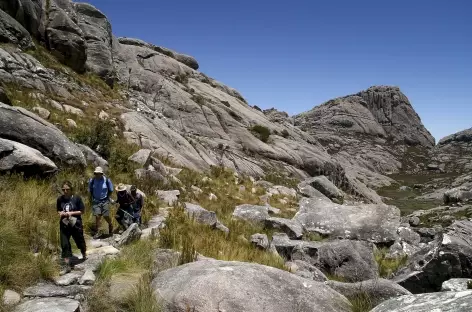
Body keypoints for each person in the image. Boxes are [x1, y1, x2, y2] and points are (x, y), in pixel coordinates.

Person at [57, 181, 86, 275]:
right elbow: (58, 209)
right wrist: (60, 213)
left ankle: (83, 251)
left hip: (75, 222)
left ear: (71, 189)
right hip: (64, 223)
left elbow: (82, 211)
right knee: (64, 243)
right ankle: (67, 266)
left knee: (79, 240)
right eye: (63, 189)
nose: (65, 191)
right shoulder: (60, 199)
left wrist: (71, 213)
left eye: (67, 189)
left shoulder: (77, 198)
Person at [88, 166, 114, 239]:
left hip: (105, 200)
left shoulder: (107, 180)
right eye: (96, 173)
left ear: (101, 174)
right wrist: (90, 200)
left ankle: (110, 224)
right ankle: (97, 231)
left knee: (106, 215)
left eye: (98, 173)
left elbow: (111, 190)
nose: (97, 175)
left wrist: (108, 197)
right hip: (96, 201)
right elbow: (89, 191)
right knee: (97, 216)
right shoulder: (92, 181)